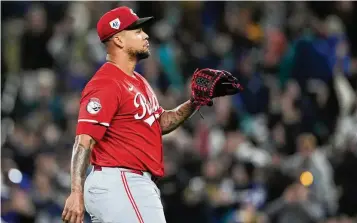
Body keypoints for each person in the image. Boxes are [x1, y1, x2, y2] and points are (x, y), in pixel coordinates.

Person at [61, 6, 238, 223]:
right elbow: (83, 142)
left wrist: (194, 102)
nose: (145, 35)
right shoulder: (106, 83)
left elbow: (160, 123)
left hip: (128, 183)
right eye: (136, 31)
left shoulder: (139, 82)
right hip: (121, 180)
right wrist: (75, 192)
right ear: (118, 40)